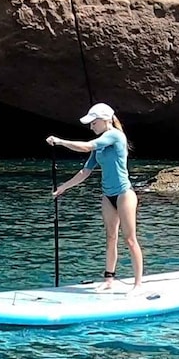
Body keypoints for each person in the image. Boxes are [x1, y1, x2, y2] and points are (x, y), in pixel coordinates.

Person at [46, 102, 144, 293]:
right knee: (110, 237)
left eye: (93, 122)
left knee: (130, 239)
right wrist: (63, 188)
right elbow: (85, 171)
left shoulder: (115, 135)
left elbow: (86, 146)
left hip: (124, 194)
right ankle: (109, 280)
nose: (91, 126)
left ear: (104, 120)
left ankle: (138, 284)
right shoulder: (99, 146)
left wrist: (60, 141)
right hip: (108, 196)